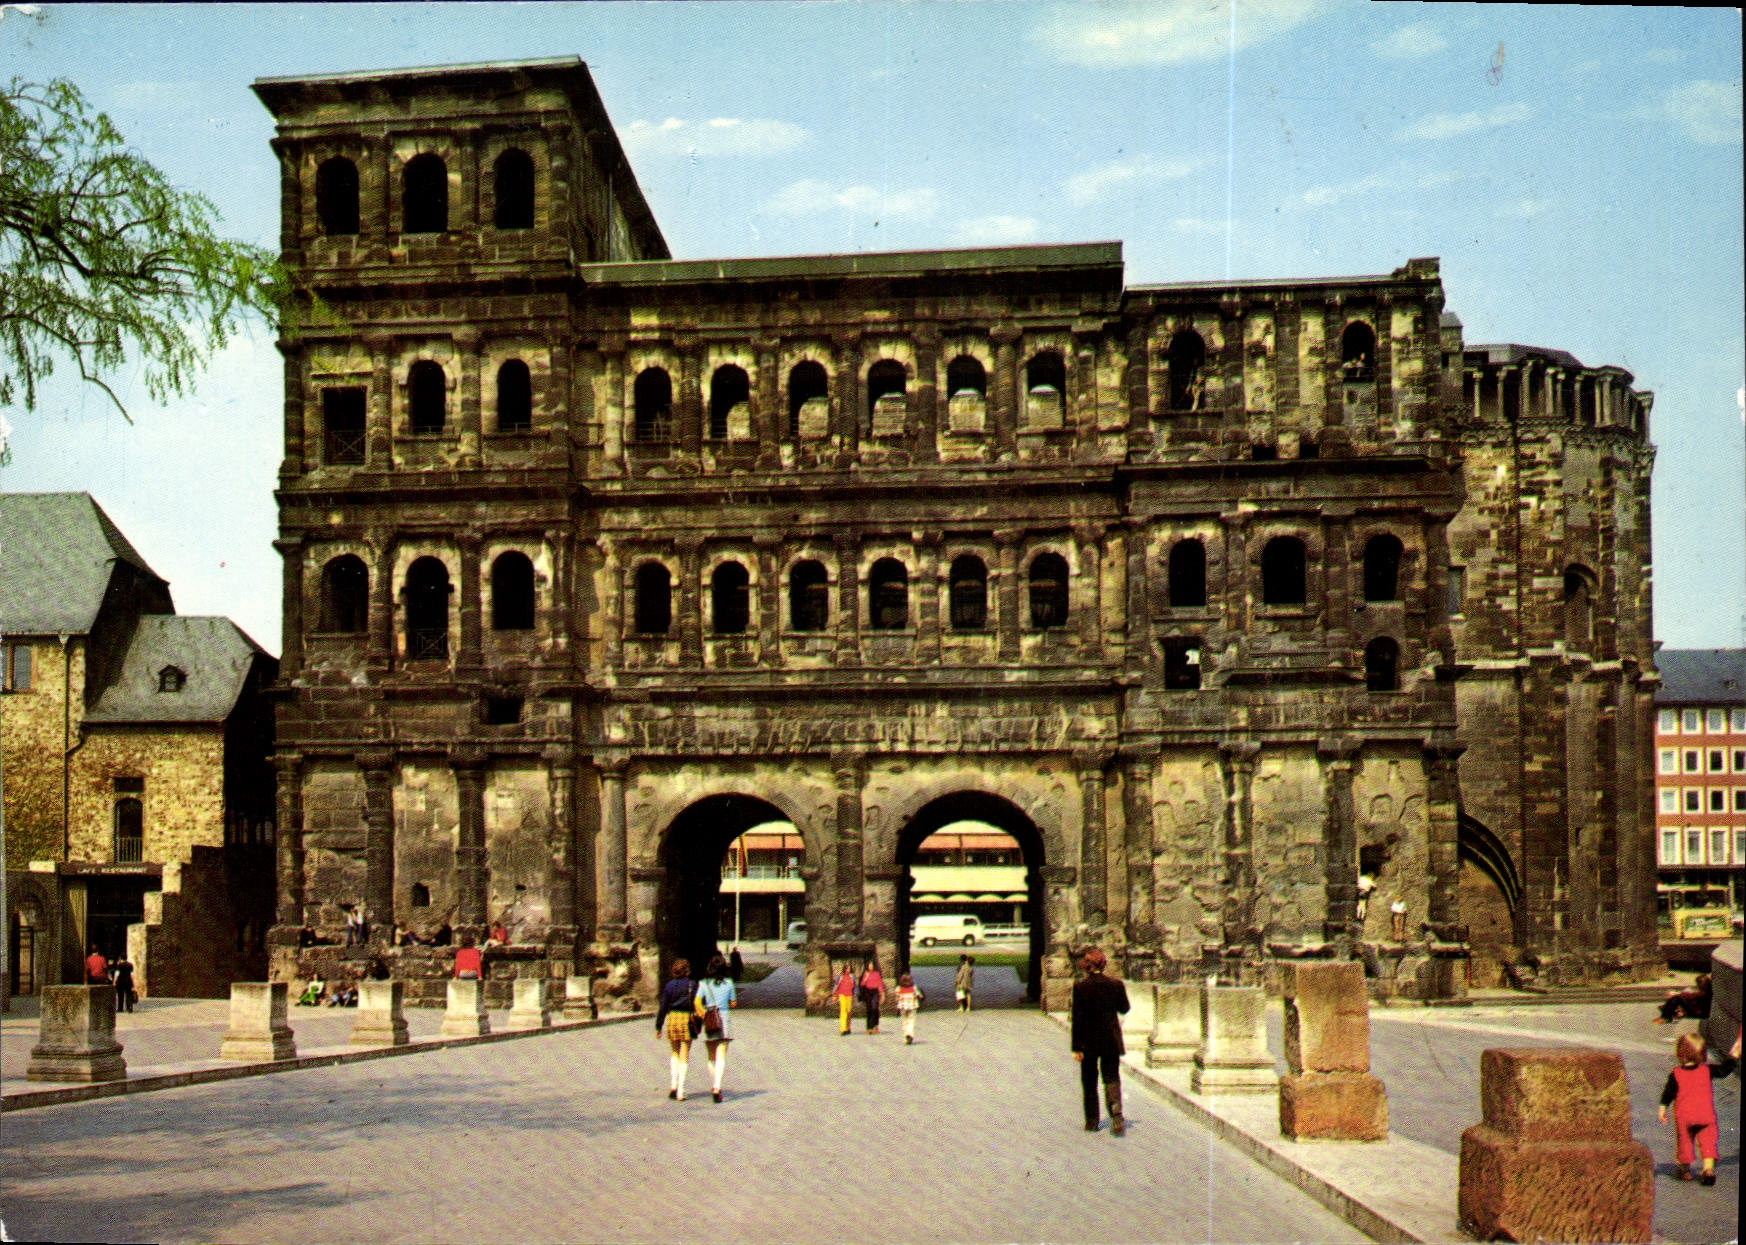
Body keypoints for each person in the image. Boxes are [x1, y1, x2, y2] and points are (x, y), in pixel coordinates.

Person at [1658, 1031, 1740, 1186]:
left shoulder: (1676, 1074)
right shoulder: (1707, 1070)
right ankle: (1708, 1170)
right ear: (1701, 1054)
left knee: (1685, 1141)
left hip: (1685, 1116)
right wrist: (1734, 1056)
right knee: (1708, 1141)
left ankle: (1685, 1170)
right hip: (1705, 1115)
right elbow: (1723, 1071)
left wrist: (1662, 1107)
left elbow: (1668, 1092)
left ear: (1680, 1053)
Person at [1071, 947, 1130, 1135]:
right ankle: (1115, 1111)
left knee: (1089, 1080)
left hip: (1088, 1041)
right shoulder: (1116, 985)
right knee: (1111, 1077)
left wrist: (1076, 1047)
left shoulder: (1080, 987)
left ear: (1086, 966)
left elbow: (1077, 1019)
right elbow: (1124, 1009)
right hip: (1110, 1040)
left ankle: (1092, 1121)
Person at [696, 954, 738, 1103]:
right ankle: (717, 1087)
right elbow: (733, 1003)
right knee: (721, 1055)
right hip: (724, 1019)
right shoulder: (729, 983)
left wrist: (703, 1014)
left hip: (710, 1019)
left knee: (711, 1056)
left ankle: (713, 1083)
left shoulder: (704, 983)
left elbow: (697, 1002)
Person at [655, 958, 699, 1101]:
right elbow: (697, 1004)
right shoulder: (693, 985)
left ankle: (673, 1086)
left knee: (675, 1052)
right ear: (687, 970)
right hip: (686, 1018)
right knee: (684, 1054)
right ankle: (681, 1090)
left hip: (673, 1017)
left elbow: (663, 1007)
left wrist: (658, 1026)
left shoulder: (669, 986)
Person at [859, 961, 885, 1035]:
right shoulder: (865, 974)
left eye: (872, 965)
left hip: (875, 992)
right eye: (869, 965)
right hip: (868, 992)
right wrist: (866, 977)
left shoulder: (876, 974)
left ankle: (875, 1026)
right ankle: (869, 1027)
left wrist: (882, 994)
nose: (871, 967)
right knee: (869, 1010)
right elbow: (862, 984)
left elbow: (880, 984)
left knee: (875, 1009)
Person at [896, 973, 923, 1044]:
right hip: (912, 1006)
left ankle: (906, 1035)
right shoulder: (913, 988)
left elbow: (896, 998)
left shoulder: (899, 988)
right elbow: (920, 996)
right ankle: (910, 1034)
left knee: (904, 1021)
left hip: (903, 1006)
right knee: (911, 1021)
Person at [833, 964, 858, 1036]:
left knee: (849, 1011)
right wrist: (834, 995)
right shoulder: (840, 977)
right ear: (844, 969)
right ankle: (843, 1029)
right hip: (842, 994)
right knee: (843, 1010)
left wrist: (856, 994)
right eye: (847, 969)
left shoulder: (852, 977)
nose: (848, 970)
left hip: (849, 995)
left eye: (849, 969)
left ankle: (848, 1028)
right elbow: (836, 986)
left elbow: (855, 986)